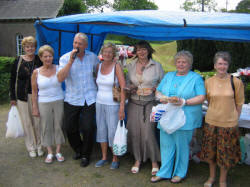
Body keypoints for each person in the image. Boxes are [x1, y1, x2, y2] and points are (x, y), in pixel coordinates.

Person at [151, 50, 206, 183]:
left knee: (182, 146)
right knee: (166, 145)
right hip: (167, 116)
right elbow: (158, 90)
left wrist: (184, 102)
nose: (180, 64)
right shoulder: (169, 75)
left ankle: (180, 173)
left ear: (189, 64)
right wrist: (161, 97)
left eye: (184, 62)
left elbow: (201, 97)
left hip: (184, 118)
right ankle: (164, 172)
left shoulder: (196, 78)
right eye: (178, 62)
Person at [200, 52, 244, 187]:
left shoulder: (236, 82)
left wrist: (235, 119)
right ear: (215, 65)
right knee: (211, 153)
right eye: (220, 63)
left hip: (228, 124)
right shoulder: (208, 81)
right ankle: (212, 177)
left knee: (225, 155)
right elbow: (207, 99)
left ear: (228, 65)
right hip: (211, 122)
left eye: (225, 64)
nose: (222, 66)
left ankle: (222, 180)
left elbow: (239, 103)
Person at [57, 32, 99, 167]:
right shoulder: (64, 58)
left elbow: (98, 74)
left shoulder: (92, 57)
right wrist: (70, 61)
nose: (76, 45)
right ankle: (78, 149)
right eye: (75, 43)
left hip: (90, 98)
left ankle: (86, 155)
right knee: (70, 128)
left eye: (80, 43)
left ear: (85, 45)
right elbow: (60, 78)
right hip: (72, 98)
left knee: (88, 128)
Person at [126, 40, 164, 175]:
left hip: (150, 103)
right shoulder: (131, 66)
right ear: (135, 52)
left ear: (149, 51)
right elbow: (128, 83)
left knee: (148, 132)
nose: (141, 52)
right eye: (138, 49)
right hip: (134, 103)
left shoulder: (156, 66)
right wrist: (131, 88)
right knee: (135, 132)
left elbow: (162, 84)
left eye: (144, 49)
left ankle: (154, 160)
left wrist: (154, 88)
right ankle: (137, 159)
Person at [9, 36, 43, 158]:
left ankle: (39, 146)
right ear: (24, 47)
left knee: (37, 122)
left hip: (37, 96)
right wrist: (12, 98)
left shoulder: (39, 60)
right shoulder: (18, 61)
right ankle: (31, 147)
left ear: (35, 47)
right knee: (27, 123)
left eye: (32, 46)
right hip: (22, 97)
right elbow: (12, 80)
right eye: (27, 46)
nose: (30, 48)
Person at [31, 45, 65, 164]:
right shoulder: (36, 72)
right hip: (43, 102)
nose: (48, 58)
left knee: (58, 125)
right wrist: (35, 107)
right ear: (40, 58)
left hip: (58, 100)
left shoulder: (59, 68)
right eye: (45, 56)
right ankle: (50, 152)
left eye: (50, 56)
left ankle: (58, 151)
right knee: (46, 126)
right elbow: (34, 91)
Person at [95, 43, 126, 169]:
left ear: (113, 54)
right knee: (101, 129)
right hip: (99, 102)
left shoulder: (116, 67)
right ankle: (103, 157)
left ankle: (115, 158)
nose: (107, 54)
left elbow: (123, 88)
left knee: (112, 131)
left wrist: (122, 107)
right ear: (102, 53)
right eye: (105, 51)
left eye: (110, 52)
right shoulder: (98, 66)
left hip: (113, 104)